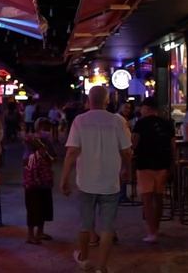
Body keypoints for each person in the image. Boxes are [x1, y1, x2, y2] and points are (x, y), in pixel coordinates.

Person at [60, 86, 132, 273]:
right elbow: (126, 151)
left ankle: (84, 259)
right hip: (110, 182)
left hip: (86, 182)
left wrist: (64, 178)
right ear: (107, 100)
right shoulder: (117, 121)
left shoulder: (80, 121)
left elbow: (72, 152)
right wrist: (127, 169)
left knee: (85, 224)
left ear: (88, 100)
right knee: (107, 227)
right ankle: (102, 267)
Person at [132, 97, 175, 243]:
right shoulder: (167, 123)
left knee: (147, 199)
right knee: (159, 197)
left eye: (142, 108)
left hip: (145, 163)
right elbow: (172, 145)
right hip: (162, 163)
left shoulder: (140, 123)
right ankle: (156, 228)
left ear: (147, 108)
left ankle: (151, 232)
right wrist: (172, 163)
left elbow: (134, 142)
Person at [23, 126, 54, 245]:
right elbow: (33, 174)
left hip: (42, 187)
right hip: (34, 188)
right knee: (33, 211)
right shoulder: (32, 158)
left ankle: (39, 232)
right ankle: (31, 235)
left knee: (43, 210)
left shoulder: (41, 157)